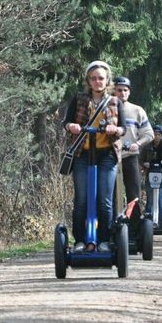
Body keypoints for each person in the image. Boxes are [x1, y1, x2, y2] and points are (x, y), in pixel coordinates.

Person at [61, 61, 125, 253]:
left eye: (101, 78)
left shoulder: (115, 102)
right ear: (88, 81)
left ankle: (105, 240)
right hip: (83, 153)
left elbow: (124, 129)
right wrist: (70, 126)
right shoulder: (79, 99)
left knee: (104, 200)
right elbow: (66, 121)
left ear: (107, 81)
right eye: (93, 78)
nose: (97, 81)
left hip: (107, 155)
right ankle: (80, 241)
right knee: (81, 199)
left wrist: (116, 129)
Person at [113, 76, 153, 227]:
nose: (122, 93)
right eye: (119, 90)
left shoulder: (137, 110)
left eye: (125, 90)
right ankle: (109, 229)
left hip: (130, 157)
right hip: (110, 157)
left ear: (129, 92)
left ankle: (135, 230)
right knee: (109, 194)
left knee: (134, 194)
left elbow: (149, 134)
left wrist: (138, 144)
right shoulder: (106, 109)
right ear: (113, 91)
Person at [140, 124, 162, 220]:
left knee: (161, 197)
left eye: (159, 134)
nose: (156, 136)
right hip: (150, 173)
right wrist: (144, 164)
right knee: (150, 197)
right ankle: (148, 220)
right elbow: (140, 159)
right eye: (155, 134)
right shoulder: (147, 147)